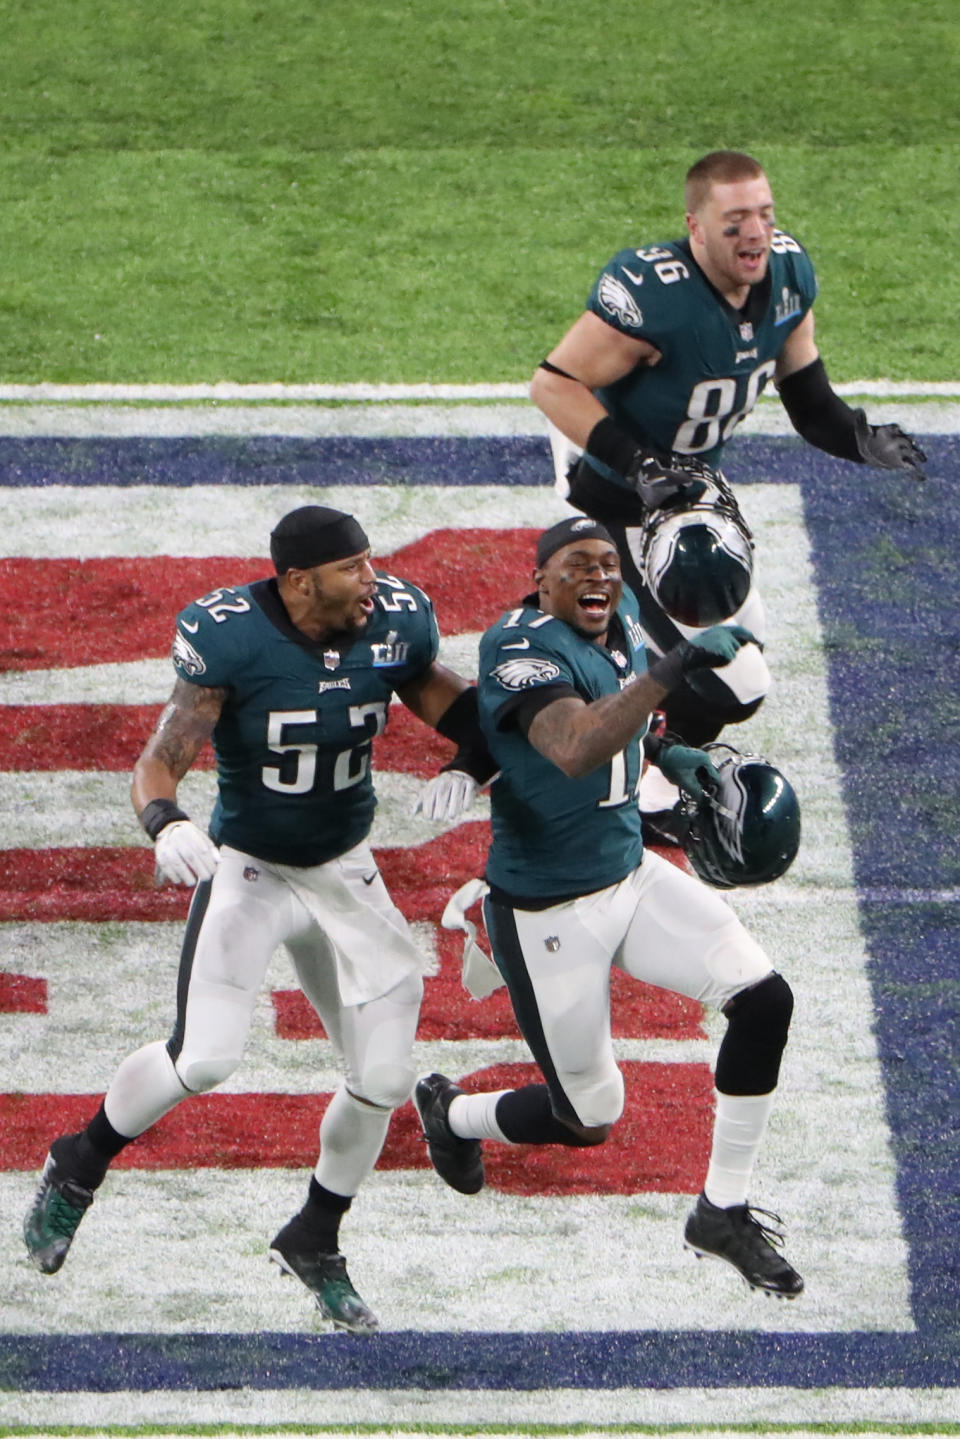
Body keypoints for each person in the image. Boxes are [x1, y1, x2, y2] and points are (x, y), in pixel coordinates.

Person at [23, 504, 492, 1335]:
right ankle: (77, 1162)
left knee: (382, 1080)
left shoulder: (390, 623)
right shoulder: (231, 636)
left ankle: (315, 1234)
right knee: (202, 1056)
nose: (373, 579)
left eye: (372, 560)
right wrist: (165, 820)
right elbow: (162, 756)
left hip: (346, 869)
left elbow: (470, 713)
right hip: (251, 868)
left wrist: (472, 762)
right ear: (300, 580)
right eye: (354, 567)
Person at [415, 514, 804, 1300]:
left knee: (763, 999)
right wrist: (678, 667)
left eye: (608, 563)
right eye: (578, 565)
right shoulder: (518, 645)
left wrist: (668, 749)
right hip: (549, 913)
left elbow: (625, 717)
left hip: (628, 875)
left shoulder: (619, 623)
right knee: (587, 1117)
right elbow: (573, 744)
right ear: (542, 579)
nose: (600, 576)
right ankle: (450, 1112)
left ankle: (720, 1210)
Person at [529, 148, 926, 838]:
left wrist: (858, 437)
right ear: (696, 227)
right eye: (735, 218)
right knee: (732, 677)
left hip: (687, 489)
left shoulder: (788, 276)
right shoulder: (653, 292)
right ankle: (641, 783)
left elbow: (807, 397)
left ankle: (643, 735)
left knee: (739, 652)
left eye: (765, 215)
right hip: (615, 486)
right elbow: (554, 384)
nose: (756, 233)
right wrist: (642, 467)